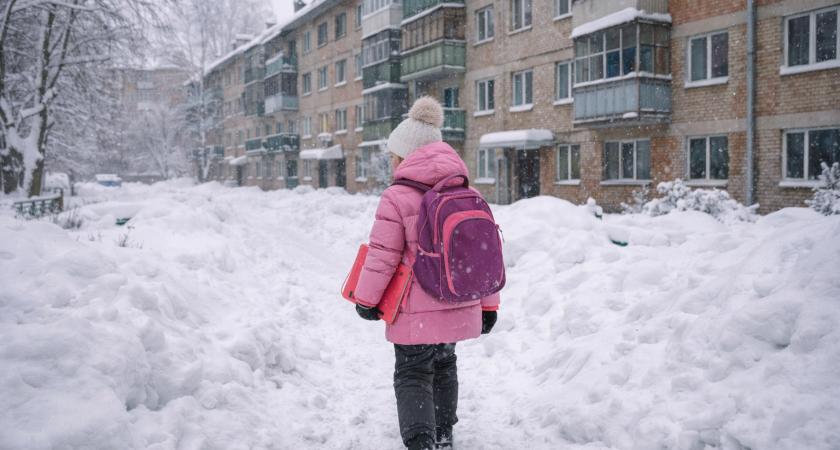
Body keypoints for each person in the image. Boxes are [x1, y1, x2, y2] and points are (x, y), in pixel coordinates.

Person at [353, 97, 500, 450]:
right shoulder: (468, 192)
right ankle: (444, 435)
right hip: (458, 299)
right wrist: (489, 306)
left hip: (414, 311)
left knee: (413, 372)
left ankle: (422, 442)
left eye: (394, 155)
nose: (391, 161)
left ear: (407, 156)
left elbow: (382, 257)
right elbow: (484, 255)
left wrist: (366, 299)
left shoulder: (397, 196)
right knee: (445, 365)